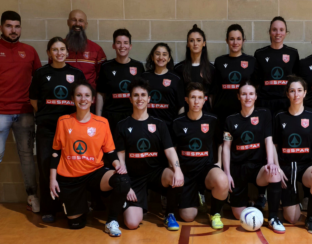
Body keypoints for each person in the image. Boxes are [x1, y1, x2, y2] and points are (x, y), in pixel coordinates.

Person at [49, 80, 130, 237]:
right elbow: (55, 152)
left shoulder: (102, 122)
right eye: (79, 95)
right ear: (72, 99)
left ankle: (111, 221)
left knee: (122, 180)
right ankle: (81, 207)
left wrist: (118, 164)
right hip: (70, 178)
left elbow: (110, 151)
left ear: (93, 99)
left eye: (87, 95)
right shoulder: (63, 121)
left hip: (94, 173)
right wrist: (53, 179)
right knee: (75, 225)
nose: (83, 99)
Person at [115, 78, 184, 231]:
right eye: (136, 95)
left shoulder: (159, 124)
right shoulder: (122, 125)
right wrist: (126, 185)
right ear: (130, 98)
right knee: (132, 224)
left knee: (175, 177)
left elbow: (170, 150)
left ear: (149, 99)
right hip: (134, 178)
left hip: (155, 173)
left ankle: (169, 214)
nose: (140, 99)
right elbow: (120, 159)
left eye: (143, 95)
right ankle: (130, 205)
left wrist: (177, 169)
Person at [29, 37, 85, 222]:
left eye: (62, 49)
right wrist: (47, 115)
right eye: (55, 49)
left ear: (67, 52)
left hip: (70, 128)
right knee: (46, 167)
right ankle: (49, 209)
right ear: (49, 53)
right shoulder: (41, 73)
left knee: (71, 166)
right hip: (47, 129)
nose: (59, 52)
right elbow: (34, 101)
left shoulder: (76, 73)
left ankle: (72, 205)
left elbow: (83, 98)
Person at [222, 80, 286, 234]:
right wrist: (227, 173)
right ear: (238, 97)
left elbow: (268, 140)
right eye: (244, 94)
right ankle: (253, 202)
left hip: (258, 168)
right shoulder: (230, 119)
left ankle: (273, 217)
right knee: (239, 215)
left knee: (274, 172)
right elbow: (226, 147)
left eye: (251, 94)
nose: (247, 97)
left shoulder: (264, 114)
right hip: (238, 168)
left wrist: (270, 162)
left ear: (256, 96)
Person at [253, 16, 299, 211]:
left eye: (281, 29)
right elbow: (255, 82)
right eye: (274, 29)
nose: (277, 33)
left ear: (286, 32)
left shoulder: (293, 53)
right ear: (269, 32)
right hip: (265, 106)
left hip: (284, 106)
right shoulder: (260, 53)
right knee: (265, 146)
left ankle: (283, 189)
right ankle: (262, 193)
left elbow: (296, 82)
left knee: (282, 144)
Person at [273, 75, 312, 234]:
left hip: (305, 166)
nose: (296, 94)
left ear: (305, 93)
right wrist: (276, 166)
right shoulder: (279, 116)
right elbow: (274, 145)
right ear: (287, 94)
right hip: (286, 167)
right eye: (292, 91)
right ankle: (288, 203)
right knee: (292, 218)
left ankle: (311, 218)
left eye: (299, 91)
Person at [172, 82, 229, 230]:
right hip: (186, 172)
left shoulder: (212, 120)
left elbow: (221, 143)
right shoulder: (177, 122)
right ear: (186, 100)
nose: (196, 101)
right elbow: (172, 149)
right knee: (188, 216)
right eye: (193, 97)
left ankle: (214, 214)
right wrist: (176, 169)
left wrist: (219, 164)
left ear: (205, 99)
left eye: (199, 97)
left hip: (206, 169)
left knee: (222, 180)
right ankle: (196, 196)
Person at [0, 11, 41, 212]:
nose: (13, 30)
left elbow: (40, 81)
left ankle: (32, 196)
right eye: (9, 26)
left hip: (25, 112)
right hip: (0, 113)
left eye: (17, 26)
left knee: (26, 156)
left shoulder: (30, 51)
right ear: (1, 27)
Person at [96, 29, 145, 136]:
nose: (122, 46)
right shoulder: (106, 67)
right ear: (113, 46)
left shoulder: (138, 66)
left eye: (125, 43)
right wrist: (98, 119)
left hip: (132, 115)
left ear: (130, 46)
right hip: (111, 116)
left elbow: (144, 94)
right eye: (118, 43)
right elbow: (100, 94)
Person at [212, 24, 256, 128]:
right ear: (227, 40)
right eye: (232, 39)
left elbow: (255, 87)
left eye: (238, 39)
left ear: (243, 41)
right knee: (226, 142)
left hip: (245, 112)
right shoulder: (219, 61)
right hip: (223, 113)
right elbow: (215, 89)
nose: (235, 42)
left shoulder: (252, 61)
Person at [141, 43, 184, 131]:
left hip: (169, 126)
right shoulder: (144, 77)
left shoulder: (176, 78)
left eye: (164, 54)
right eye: (157, 54)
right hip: (146, 125)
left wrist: (179, 125)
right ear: (152, 57)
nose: (161, 57)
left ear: (169, 58)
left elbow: (181, 106)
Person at [174, 24, 215, 113]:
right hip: (186, 117)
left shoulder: (211, 69)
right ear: (188, 44)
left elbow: (212, 97)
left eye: (198, 40)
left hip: (206, 116)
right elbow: (178, 97)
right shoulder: (179, 69)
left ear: (204, 43)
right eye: (192, 41)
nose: (195, 44)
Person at [63, 10, 106, 90]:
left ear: (86, 24)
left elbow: (102, 79)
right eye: (73, 20)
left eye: (81, 21)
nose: (77, 24)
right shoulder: (58, 47)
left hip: (87, 99)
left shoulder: (96, 49)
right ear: (68, 22)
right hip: (64, 98)